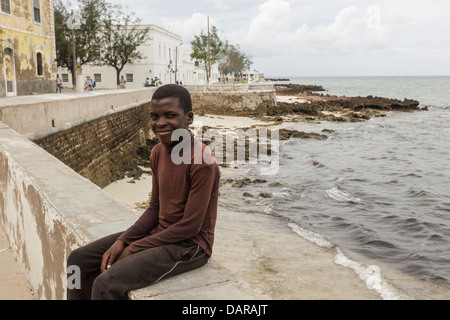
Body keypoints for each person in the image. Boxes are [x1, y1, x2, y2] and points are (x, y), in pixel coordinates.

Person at [66, 84, 220, 300]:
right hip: (160, 233)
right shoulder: (157, 152)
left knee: (106, 284)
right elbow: (155, 208)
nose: (160, 123)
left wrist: (135, 246)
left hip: (190, 246)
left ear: (189, 118)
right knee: (77, 261)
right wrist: (124, 240)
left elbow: (190, 226)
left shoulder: (201, 161)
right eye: (154, 116)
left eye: (170, 115)